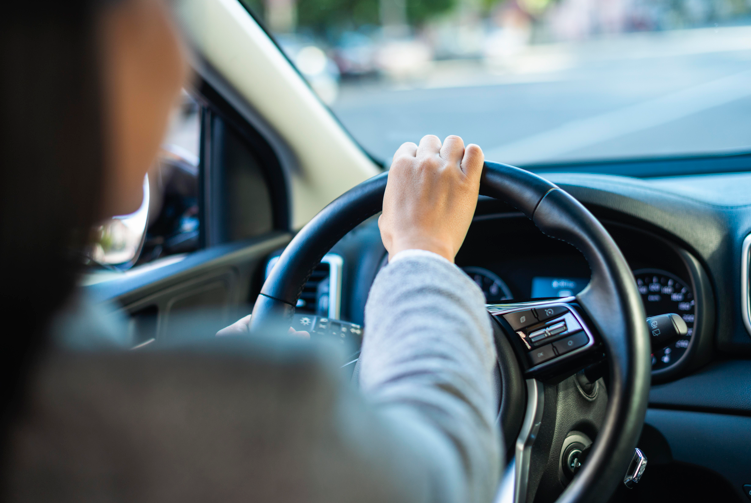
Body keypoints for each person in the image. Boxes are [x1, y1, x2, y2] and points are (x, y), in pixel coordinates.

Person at [1, 0, 501, 501]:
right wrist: (423, 251)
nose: (181, 59)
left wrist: (211, 366)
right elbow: (441, 477)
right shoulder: (252, 421)